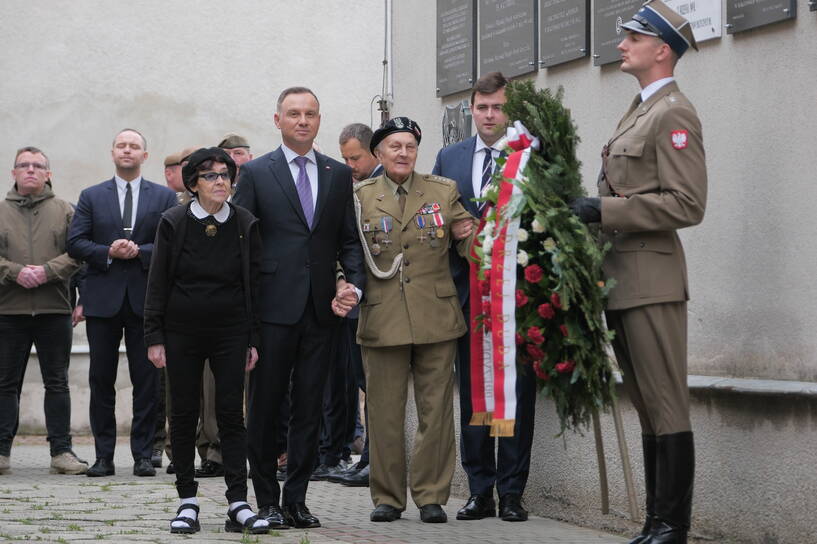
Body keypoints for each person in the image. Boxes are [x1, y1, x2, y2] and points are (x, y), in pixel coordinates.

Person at [569, 2, 706, 542]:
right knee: (648, 406)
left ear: (662, 49)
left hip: (653, 281)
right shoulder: (639, 108)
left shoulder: (673, 112)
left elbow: (688, 203)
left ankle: (673, 524)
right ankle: (655, 523)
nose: (622, 43)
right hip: (623, 280)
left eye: (633, 37)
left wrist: (604, 210)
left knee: (666, 402)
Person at [233, 86, 365, 529]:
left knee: (311, 407)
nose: (302, 121)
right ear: (278, 120)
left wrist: (354, 288)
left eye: (310, 114)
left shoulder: (335, 173)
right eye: (293, 114)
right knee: (267, 406)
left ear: (319, 119)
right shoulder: (255, 173)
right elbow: (243, 242)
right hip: (271, 310)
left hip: (321, 310)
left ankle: (297, 499)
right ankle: (266, 499)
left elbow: (347, 240)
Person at [350, 117, 474, 524]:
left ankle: (431, 495)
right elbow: (345, 251)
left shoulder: (441, 190)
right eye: (394, 147)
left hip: (435, 317)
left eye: (410, 147)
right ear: (379, 154)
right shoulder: (361, 195)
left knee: (436, 411)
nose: (403, 153)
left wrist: (497, 243)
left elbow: (465, 237)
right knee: (384, 412)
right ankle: (387, 497)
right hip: (383, 317)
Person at [144, 147, 268, 535]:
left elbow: (255, 283)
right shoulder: (174, 221)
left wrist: (253, 337)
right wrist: (154, 335)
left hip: (231, 331)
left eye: (226, 175)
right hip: (182, 331)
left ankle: (237, 503)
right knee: (183, 414)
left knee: (231, 415)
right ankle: (187, 501)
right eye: (210, 176)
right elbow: (158, 280)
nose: (220, 182)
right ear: (193, 183)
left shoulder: (245, 222)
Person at [432, 71, 537, 522]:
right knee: (475, 395)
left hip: (516, 299)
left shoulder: (528, 157)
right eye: (482, 107)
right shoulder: (449, 157)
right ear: (470, 109)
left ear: (507, 109)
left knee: (516, 394)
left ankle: (513, 491)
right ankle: (480, 490)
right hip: (466, 297)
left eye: (497, 107)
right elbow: (433, 218)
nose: (489, 115)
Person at [67, 128, 178, 478]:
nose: (127, 150)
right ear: (112, 152)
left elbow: (170, 243)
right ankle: (103, 456)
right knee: (102, 379)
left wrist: (139, 251)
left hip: (146, 300)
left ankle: (143, 455)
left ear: (145, 156)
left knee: (147, 381)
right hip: (103, 301)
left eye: (134, 146)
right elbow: (76, 243)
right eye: (121, 145)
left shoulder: (162, 196)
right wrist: (108, 251)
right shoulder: (91, 196)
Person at [0, 146, 85, 475]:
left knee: (57, 383)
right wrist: (15, 272)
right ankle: (2, 453)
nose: (31, 170)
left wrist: (47, 271)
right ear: (14, 173)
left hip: (54, 311)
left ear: (48, 174)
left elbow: (78, 252)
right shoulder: (1, 210)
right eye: (24, 165)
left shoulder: (65, 210)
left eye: (38, 166)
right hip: (9, 312)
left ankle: (61, 453)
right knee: (6, 384)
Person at [322, 123, 385, 488]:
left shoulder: (374, 189)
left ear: (373, 152)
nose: (349, 164)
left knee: (374, 386)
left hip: (374, 302)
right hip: (353, 303)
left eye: (354, 157)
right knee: (362, 384)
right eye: (344, 158)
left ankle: (374, 460)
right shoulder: (353, 186)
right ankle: (366, 459)